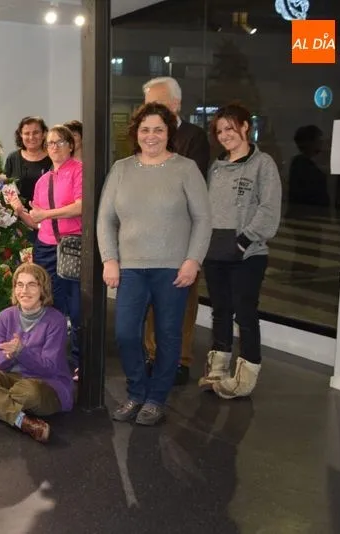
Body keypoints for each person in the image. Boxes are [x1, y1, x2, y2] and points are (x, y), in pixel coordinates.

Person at [97, 102, 211, 426]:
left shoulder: (186, 169)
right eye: (145, 129)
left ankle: (156, 398)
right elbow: (105, 220)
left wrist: (192, 261)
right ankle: (136, 392)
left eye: (158, 129)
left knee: (168, 336)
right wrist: (110, 260)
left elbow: (203, 219)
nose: (151, 135)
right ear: (136, 133)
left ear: (169, 132)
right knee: (125, 335)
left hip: (173, 270)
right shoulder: (121, 169)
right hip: (131, 267)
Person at [199, 103, 281, 399]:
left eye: (230, 128)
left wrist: (243, 242)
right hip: (215, 252)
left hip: (248, 255)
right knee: (220, 311)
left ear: (245, 126)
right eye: (220, 131)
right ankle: (217, 370)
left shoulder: (263, 164)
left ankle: (245, 378)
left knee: (245, 313)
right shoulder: (216, 168)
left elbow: (269, 209)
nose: (225, 135)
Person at [141, 77, 212, 384]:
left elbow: (188, 188)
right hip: (147, 233)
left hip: (181, 234)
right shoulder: (146, 138)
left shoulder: (193, 137)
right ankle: (153, 355)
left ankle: (181, 359)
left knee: (182, 299)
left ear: (176, 104)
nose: (151, 111)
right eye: (147, 106)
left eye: (156, 104)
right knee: (150, 300)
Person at [0, 264, 72, 443]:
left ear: (43, 289)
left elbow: (49, 368)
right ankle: (22, 421)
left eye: (32, 284)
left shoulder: (56, 321)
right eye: (19, 284)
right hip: (13, 378)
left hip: (46, 385)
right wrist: (8, 356)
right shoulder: (5, 316)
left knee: (29, 392)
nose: (25, 290)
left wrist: (21, 352)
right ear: (14, 288)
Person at [11, 125, 83, 376]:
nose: (54, 147)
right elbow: (36, 220)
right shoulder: (43, 180)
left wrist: (46, 214)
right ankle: (50, 357)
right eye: (50, 143)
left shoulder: (79, 171)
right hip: (45, 248)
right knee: (49, 307)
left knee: (76, 308)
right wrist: (20, 210)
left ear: (71, 145)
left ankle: (77, 360)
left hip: (71, 247)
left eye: (59, 142)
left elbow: (80, 206)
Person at [4, 116, 52, 207]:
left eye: (36, 132)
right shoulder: (12, 158)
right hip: (18, 217)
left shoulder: (53, 158)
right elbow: (7, 188)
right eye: (26, 133)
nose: (31, 137)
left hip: (48, 216)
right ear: (21, 135)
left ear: (44, 134)